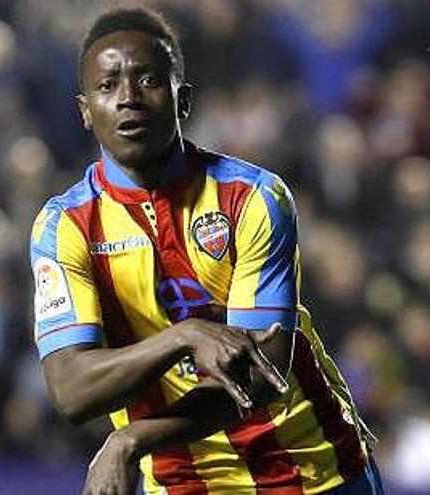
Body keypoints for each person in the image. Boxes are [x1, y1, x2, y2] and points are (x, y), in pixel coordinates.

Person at [29, 7, 383, 495]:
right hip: (182, 483)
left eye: (148, 80)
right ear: (85, 111)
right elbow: (71, 390)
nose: (128, 99)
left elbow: (262, 374)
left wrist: (129, 440)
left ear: (183, 99)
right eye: (107, 87)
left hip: (310, 471)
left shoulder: (254, 197)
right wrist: (183, 337)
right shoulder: (64, 226)